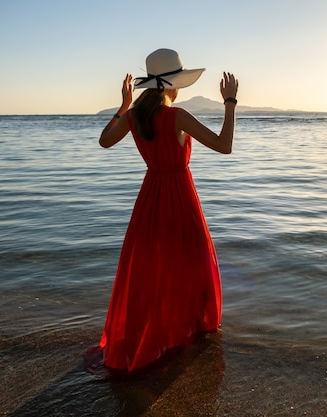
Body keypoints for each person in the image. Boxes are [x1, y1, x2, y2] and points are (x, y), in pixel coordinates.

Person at [88, 48, 238, 373]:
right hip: (181, 198)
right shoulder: (177, 116)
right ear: (172, 85)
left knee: (151, 269)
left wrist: (124, 104)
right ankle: (191, 330)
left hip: (151, 199)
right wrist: (230, 103)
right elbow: (225, 145)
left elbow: (103, 141)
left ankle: (155, 333)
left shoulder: (134, 116)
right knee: (193, 264)